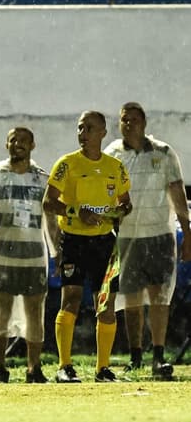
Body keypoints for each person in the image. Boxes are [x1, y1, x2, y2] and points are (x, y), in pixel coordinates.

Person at [42, 111, 132, 383]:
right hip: (74, 240)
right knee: (70, 299)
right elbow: (48, 202)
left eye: (89, 128)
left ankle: (102, 368)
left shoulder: (114, 167)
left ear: (103, 133)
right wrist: (75, 211)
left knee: (105, 304)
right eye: (80, 128)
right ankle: (64, 367)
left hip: (104, 242)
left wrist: (120, 210)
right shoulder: (67, 164)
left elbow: (126, 202)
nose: (82, 133)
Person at [104, 102, 189, 380]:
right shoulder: (112, 155)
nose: (129, 124)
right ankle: (135, 357)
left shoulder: (163, 153)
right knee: (130, 298)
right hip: (127, 237)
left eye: (134, 119)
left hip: (159, 236)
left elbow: (178, 194)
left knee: (159, 296)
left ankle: (159, 356)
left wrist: (187, 233)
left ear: (144, 123)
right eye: (124, 120)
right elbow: (104, 195)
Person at [0, 127, 58, 384]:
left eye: (23, 140)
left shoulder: (42, 179)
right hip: (2, 257)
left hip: (33, 258)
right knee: (2, 313)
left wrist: (57, 251)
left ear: (33, 145)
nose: (17, 144)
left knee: (34, 313)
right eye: (13, 140)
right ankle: (0, 368)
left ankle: (34, 368)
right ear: (6, 144)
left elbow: (51, 220)